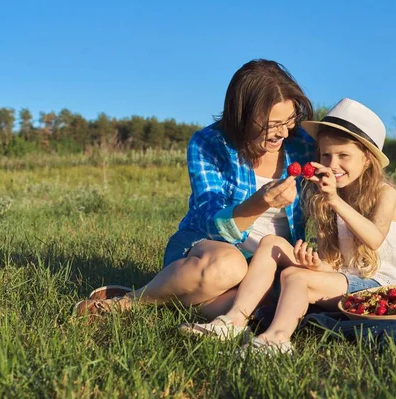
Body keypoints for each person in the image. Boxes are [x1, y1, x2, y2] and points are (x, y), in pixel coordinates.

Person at [74, 59, 315, 319]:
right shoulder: (209, 144)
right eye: (271, 124)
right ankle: (131, 301)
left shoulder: (303, 143)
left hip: (269, 261)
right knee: (230, 267)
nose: (282, 132)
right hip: (210, 249)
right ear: (243, 115)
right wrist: (260, 202)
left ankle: (179, 298)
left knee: (276, 295)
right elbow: (211, 222)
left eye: (289, 120)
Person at [179, 98, 396, 354]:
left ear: (367, 160)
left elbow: (375, 239)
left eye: (344, 156)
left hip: (384, 286)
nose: (333, 164)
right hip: (345, 282)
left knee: (295, 277)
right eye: (326, 155)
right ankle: (235, 320)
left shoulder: (384, 193)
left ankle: (277, 339)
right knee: (271, 244)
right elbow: (333, 264)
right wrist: (317, 266)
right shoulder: (329, 197)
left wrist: (334, 201)